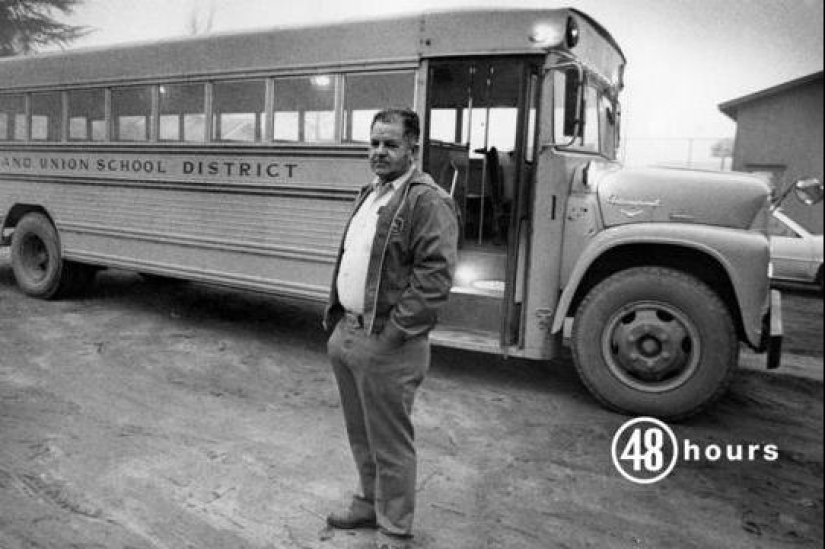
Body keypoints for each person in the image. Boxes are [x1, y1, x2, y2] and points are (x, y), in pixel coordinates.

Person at [324, 108, 458, 549]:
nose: (379, 152)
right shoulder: (373, 193)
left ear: (412, 148)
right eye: (375, 143)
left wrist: (395, 332)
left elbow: (434, 277)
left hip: (387, 342)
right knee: (361, 434)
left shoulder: (426, 200)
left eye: (391, 144)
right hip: (348, 332)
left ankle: (395, 529)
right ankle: (368, 502)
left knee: (391, 443)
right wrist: (340, 321)